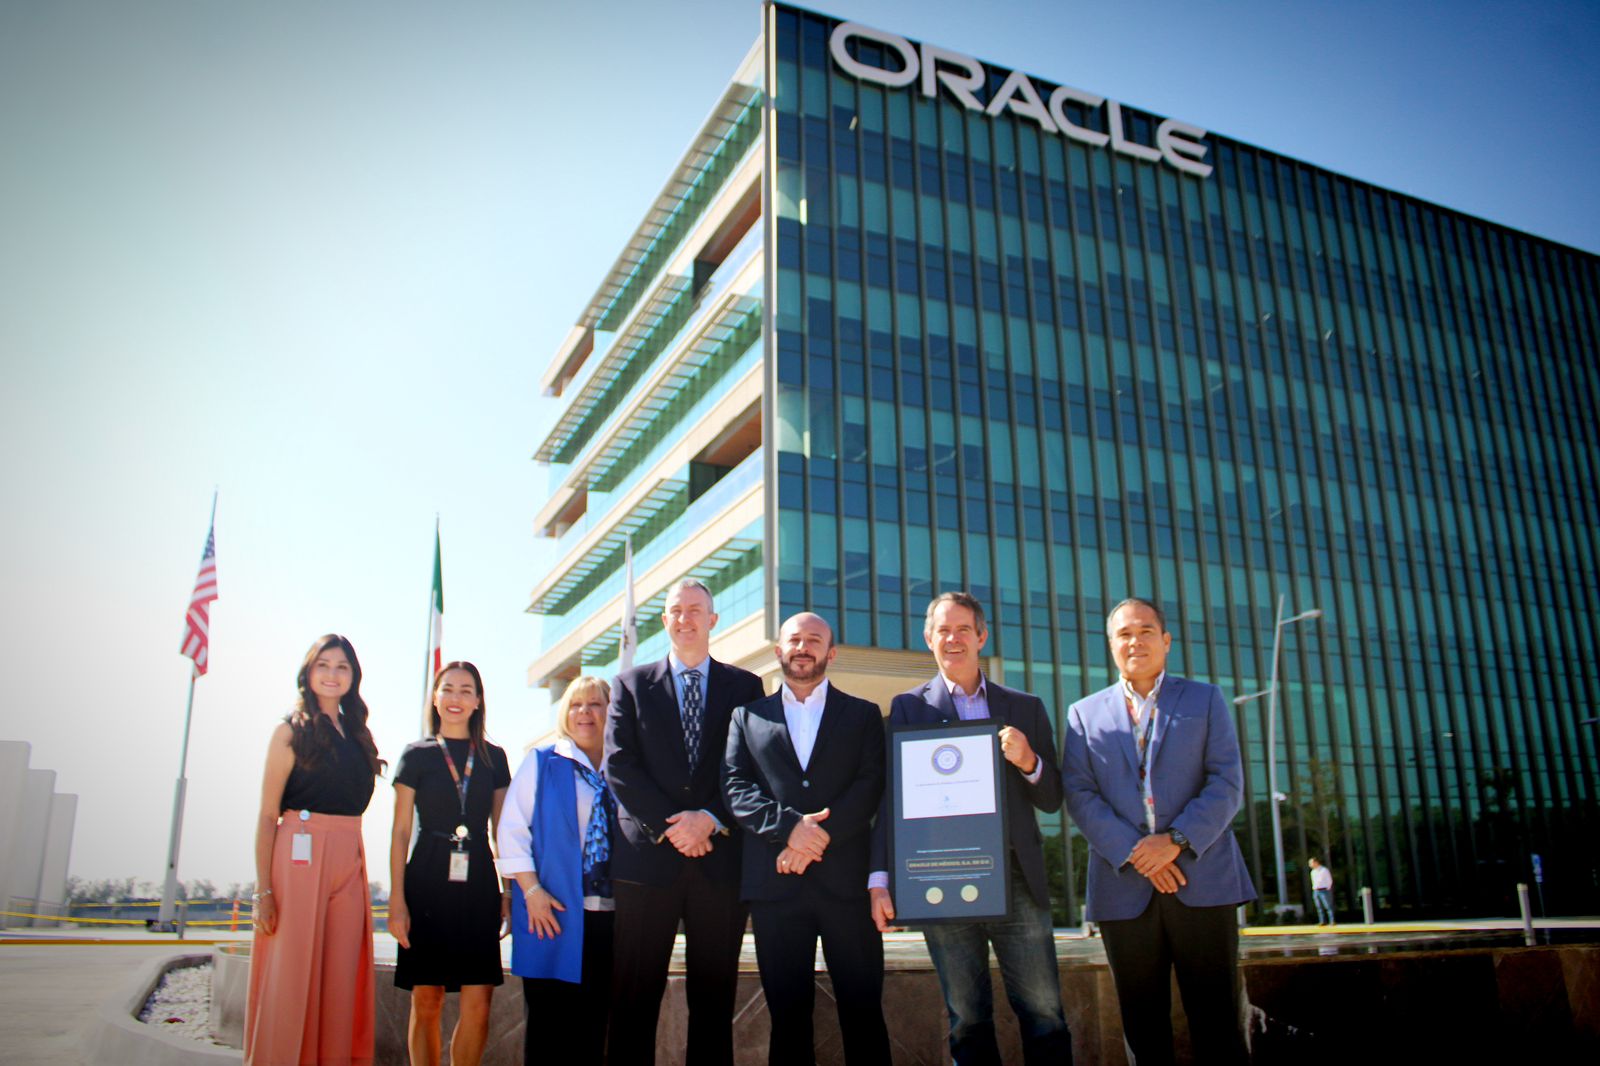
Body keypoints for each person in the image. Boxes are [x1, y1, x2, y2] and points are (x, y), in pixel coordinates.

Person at [869, 591, 1073, 1066]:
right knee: (966, 1017)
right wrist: (880, 878)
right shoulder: (907, 708)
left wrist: (1029, 761)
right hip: (939, 877)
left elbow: (1051, 798)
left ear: (982, 636)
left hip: (1015, 878)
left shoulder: (1024, 706)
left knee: (1044, 1012)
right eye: (943, 630)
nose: (953, 639)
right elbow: (890, 800)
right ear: (928, 639)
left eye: (963, 629)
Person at [1061, 597, 1257, 1066]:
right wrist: (1137, 852)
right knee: (1142, 1028)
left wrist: (1174, 842)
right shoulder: (1084, 714)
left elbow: (1226, 783)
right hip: (1124, 887)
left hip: (1203, 880)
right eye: (1124, 634)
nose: (1135, 642)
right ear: (1111, 645)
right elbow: (1079, 794)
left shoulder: (1205, 700)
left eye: (1146, 631)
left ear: (1166, 641)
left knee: (1217, 1023)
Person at [603, 578, 766, 1066]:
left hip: (720, 862)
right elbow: (619, 765)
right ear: (664, 620)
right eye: (676, 610)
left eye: (695, 610)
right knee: (633, 998)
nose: (685, 618)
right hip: (646, 862)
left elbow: (752, 766)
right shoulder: (630, 685)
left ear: (712, 620)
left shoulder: (745, 687)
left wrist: (710, 818)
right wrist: (673, 826)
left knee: (714, 1001)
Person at [722, 612, 891, 1065]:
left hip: (847, 888)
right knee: (788, 1018)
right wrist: (789, 830)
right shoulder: (747, 716)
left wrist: (816, 838)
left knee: (863, 1012)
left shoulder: (862, 714)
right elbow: (736, 789)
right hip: (774, 888)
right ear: (778, 651)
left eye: (814, 640)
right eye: (794, 640)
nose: (803, 647)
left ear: (831, 653)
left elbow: (871, 784)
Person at [245, 634, 385, 1066]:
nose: (332, 674)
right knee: (292, 973)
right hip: (298, 853)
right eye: (323, 665)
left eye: (342, 666)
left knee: (341, 976)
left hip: (350, 854)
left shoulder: (360, 735)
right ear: (308, 672)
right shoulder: (289, 731)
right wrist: (264, 891)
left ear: (353, 676)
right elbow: (267, 815)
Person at [388, 662, 512, 1066]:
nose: (456, 698)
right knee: (427, 998)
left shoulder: (494, 757)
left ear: (478, 701)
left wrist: (508, 892)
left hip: (478, 882)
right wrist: (396, 901)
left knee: (479, 1001)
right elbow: (400, 832)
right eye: (448, 689)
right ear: (435, 697)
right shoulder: (416, 755)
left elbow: (503, 833)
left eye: (466, 690)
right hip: (426, 880)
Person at [498, 675, 616, 1066]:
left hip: (609, 917)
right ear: (565, 712)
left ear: (610, 711)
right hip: (550, 912)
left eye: (595, 704)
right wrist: (531, 892)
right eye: (576, 704)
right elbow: (512, 832)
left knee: (595, 1030)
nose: (585, 712)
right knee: (548, 1030)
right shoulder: (542, 761)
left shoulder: (623, 767)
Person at [1309, 857, 1335, 925]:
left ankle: (1332, 921)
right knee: (1319, 907)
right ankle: (1322, 921)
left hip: (1324, 890)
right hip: (1316, 890)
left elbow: (1329, 880)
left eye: (1311, 863)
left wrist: (1328, 888)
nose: (1310, 865)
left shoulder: (1324, 870)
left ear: (1316, 862)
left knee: (1328, 906)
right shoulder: (1313, 872)